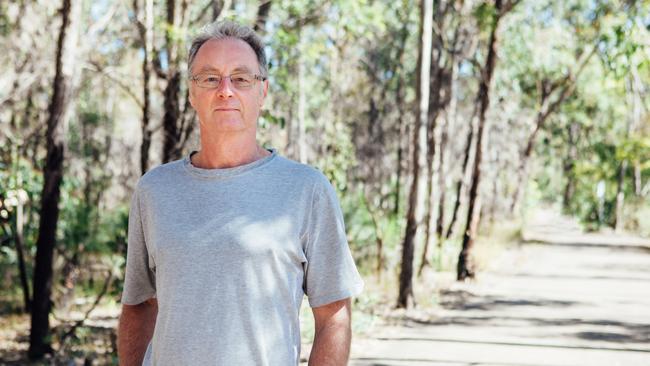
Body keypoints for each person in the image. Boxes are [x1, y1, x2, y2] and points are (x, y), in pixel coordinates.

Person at [117, 20, 364, 366]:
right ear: (191, 93)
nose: (226, 90)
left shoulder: (307, 189)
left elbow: (334, 316)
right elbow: (139, 305)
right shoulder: (154, 190)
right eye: (210, 78)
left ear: (262, 92)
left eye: (241, 78)